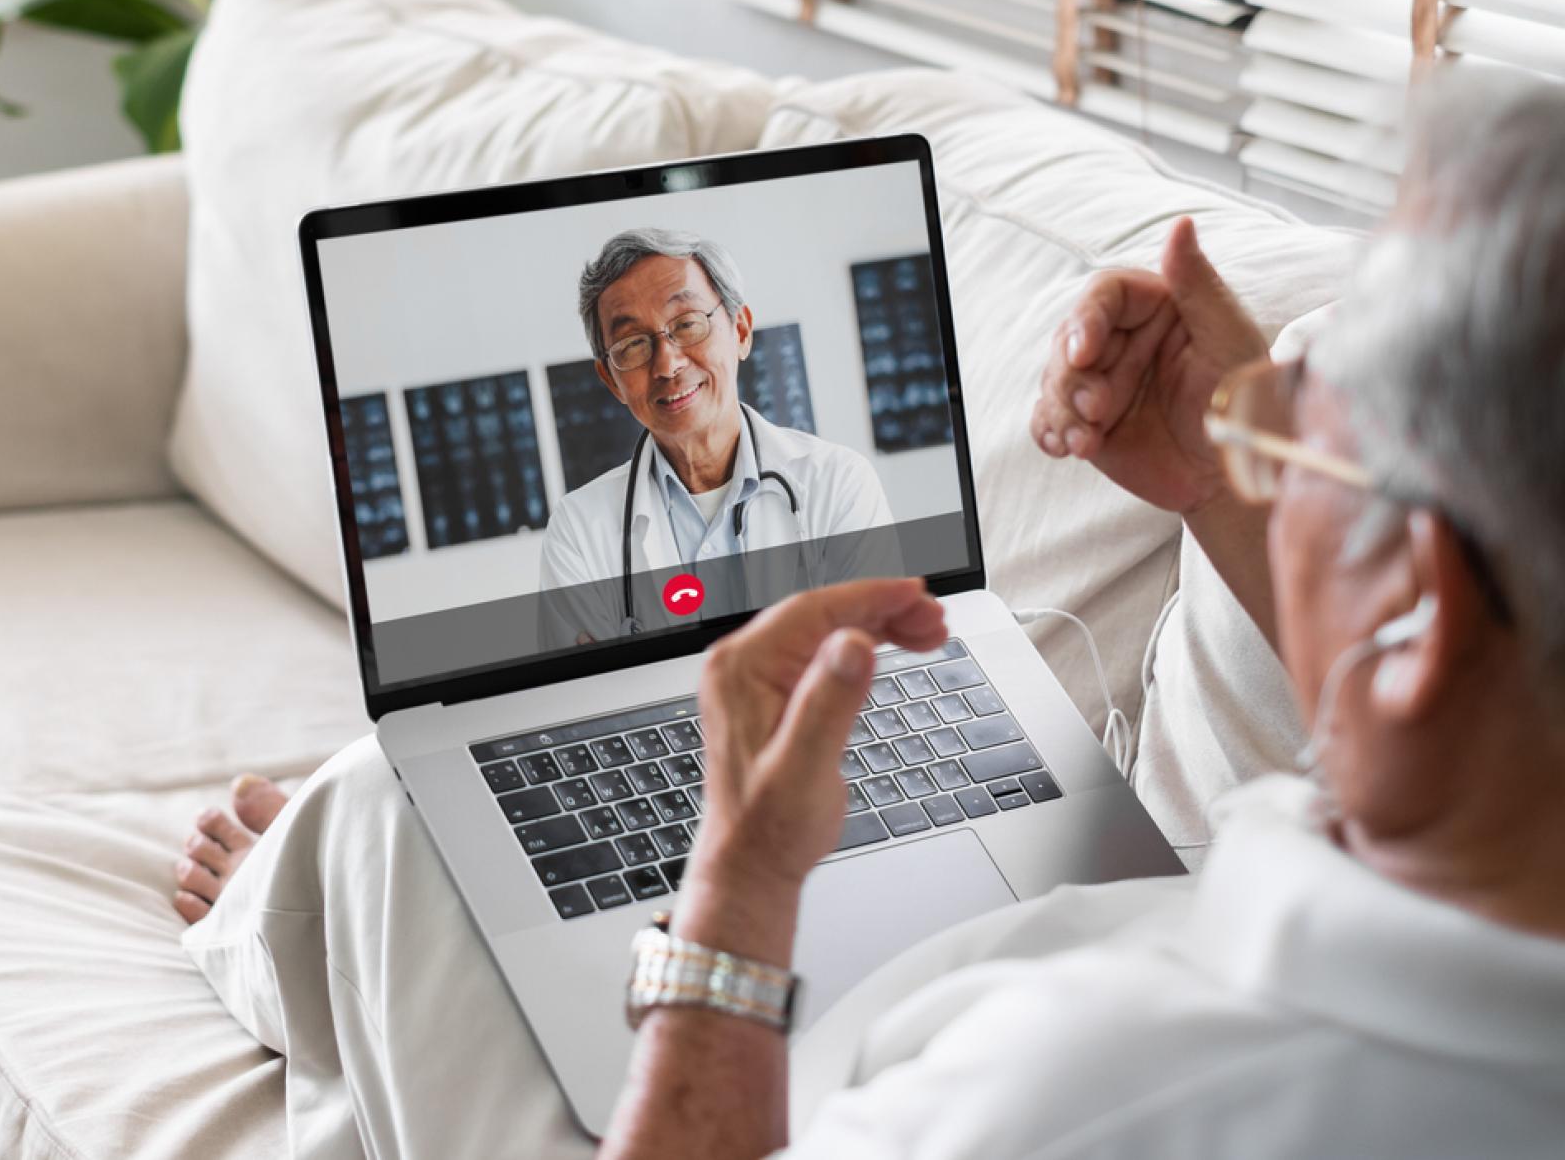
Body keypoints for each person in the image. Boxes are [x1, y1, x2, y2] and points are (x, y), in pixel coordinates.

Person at [172, 74, 1565, 1158]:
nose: (666, 363)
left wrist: (735, 893)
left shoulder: (1079, 1101)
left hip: (790, 1049)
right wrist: (1229, 480)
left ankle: (281, 924)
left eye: (1303, 426)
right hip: (1043, 921)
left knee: (380, 816)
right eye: (630, 346)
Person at [536, 227, 894, 638]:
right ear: (611, 380)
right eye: (633, 345)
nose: (667, 365)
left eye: (687, 325)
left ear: (740, 330)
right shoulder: (578, 529)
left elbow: (870, 663)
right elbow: (586, 697)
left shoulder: (839, 482)